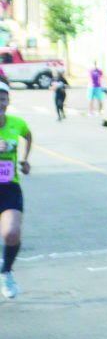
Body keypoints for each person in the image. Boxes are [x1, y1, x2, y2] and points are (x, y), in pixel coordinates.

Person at [0, 83, 32, 299]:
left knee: (11, 233)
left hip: (9, 186)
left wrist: (24, 160)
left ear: (8, 101)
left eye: (3, 99)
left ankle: (6, 272)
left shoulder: (17, 123)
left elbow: (28, 136)